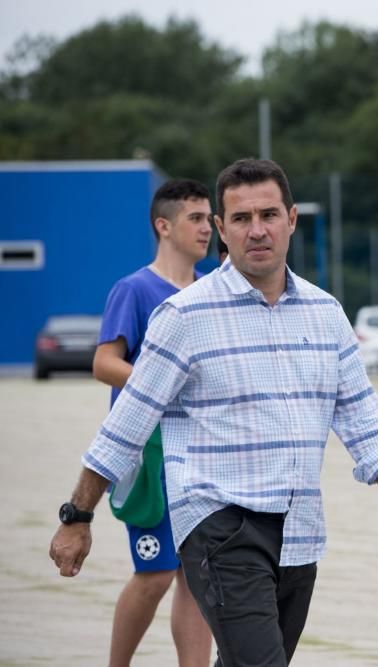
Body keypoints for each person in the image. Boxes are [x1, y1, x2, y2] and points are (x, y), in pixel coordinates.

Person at [50, 158, 378, 666]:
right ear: (222, 230)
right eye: (241, 219)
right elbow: (127, 425)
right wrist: (78, 516)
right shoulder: (184, 316)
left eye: (268, 215)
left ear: (291, 219)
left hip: (299, 529)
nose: (258, 230)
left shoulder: (325, 314)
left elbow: (362, 416)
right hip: (218, 525)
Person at [93, 178, 214, 667]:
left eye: (210, 218)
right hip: (148, 456)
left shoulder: (213, 290)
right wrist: (160, 382)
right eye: (196, 218)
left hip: (202, 453)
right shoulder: (135, 289)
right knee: (156, 573)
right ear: (164, 226)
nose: (208, 228)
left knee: (196, 575)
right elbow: (104, 362)